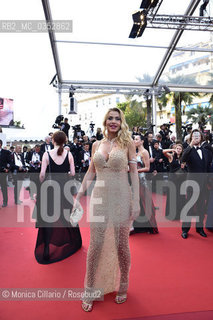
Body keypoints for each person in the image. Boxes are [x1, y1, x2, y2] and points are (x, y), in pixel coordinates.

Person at [72, 107, 140, 312]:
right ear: (105, 121)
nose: (113, 121)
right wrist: (79, 196)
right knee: (96, 245)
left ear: (121, 122)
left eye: (117, 119)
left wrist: (136, 201)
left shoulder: (127, 143)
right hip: (99, 197)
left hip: (121, 196)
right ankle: (90, 289)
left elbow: (134, 174)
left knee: (121, 244)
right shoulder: (96, 145)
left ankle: (123, 284)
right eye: (110, 118)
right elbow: (90, 173)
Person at [34, 131, 82, 264]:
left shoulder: (46, 154)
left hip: (50, 188)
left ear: (53, 140)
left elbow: (42, 175)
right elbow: (72, 173)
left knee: (49, 217)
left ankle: (47, 248)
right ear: (64, 141)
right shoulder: (69, 154)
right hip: (65, 187)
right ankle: (72, 241)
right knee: (66, 215)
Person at [181, 129, 212, 239]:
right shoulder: (188, 151)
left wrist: (209, 181)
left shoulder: (206, 151)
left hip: (203, 184)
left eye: (198, 135)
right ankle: (185, 229)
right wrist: (190, 145)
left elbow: (208, 167)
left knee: (201, 208)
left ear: (201, 137)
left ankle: (199, 228)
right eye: (194, 135)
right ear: (191, 138)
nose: (196, 137)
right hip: (192, 184)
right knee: (189, 207)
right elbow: (183, 159)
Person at [130, 135, 158, 234]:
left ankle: (150, 226)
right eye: (134, 139)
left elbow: (147, 168)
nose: (134, 140)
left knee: (145, 202)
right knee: (137, 202)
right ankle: (138, 226)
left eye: (136, 139)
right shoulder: (136, 152)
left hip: (142, 180)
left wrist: (135, 170)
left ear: (142, 141)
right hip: (135, 180)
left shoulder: (145, 152)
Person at [163, 143, 186, 220]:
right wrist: (172, 150)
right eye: (177, 148)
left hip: (181, 180)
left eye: (180, 149)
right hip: (173, 179)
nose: (178, 150)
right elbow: (163, 151)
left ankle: (180, 214)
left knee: (180, 197)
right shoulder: (171, 157)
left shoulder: (183, 159)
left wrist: (184, 167)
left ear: (182, 150)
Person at [0, 139, 11, 207]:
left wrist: (7, 169)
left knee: (4, 188)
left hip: (3, 173)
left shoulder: (6, 152)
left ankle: (5, 202)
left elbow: (9, 162)